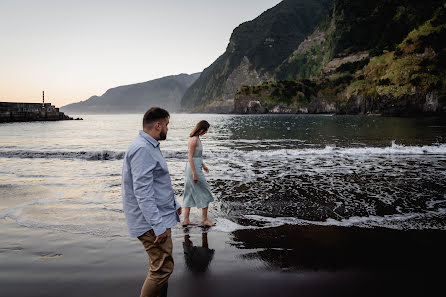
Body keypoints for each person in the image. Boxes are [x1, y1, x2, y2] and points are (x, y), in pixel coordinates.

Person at [121, 107, 182, 297]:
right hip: (151, 221)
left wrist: (175, 205)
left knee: (159, 266)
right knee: (162, 269)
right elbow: (142, 192)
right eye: (167, 125)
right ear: (158, 125)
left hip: (158, 216)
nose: (167, 129)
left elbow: (157, 183)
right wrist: (158, 225)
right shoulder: (143, 149)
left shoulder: (148, 145)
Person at [182, 120, 215, 227]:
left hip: (196, 168)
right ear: (201, 129)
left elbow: (197, 156)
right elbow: (190, 157)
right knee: (206, 192)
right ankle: (204, 220)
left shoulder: (197, 139)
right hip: (193, 170)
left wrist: (204, 165)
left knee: (189, 193)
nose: (206, 132)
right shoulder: (193, 140)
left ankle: (186, 220)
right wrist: (195, 174)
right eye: (205, 130)